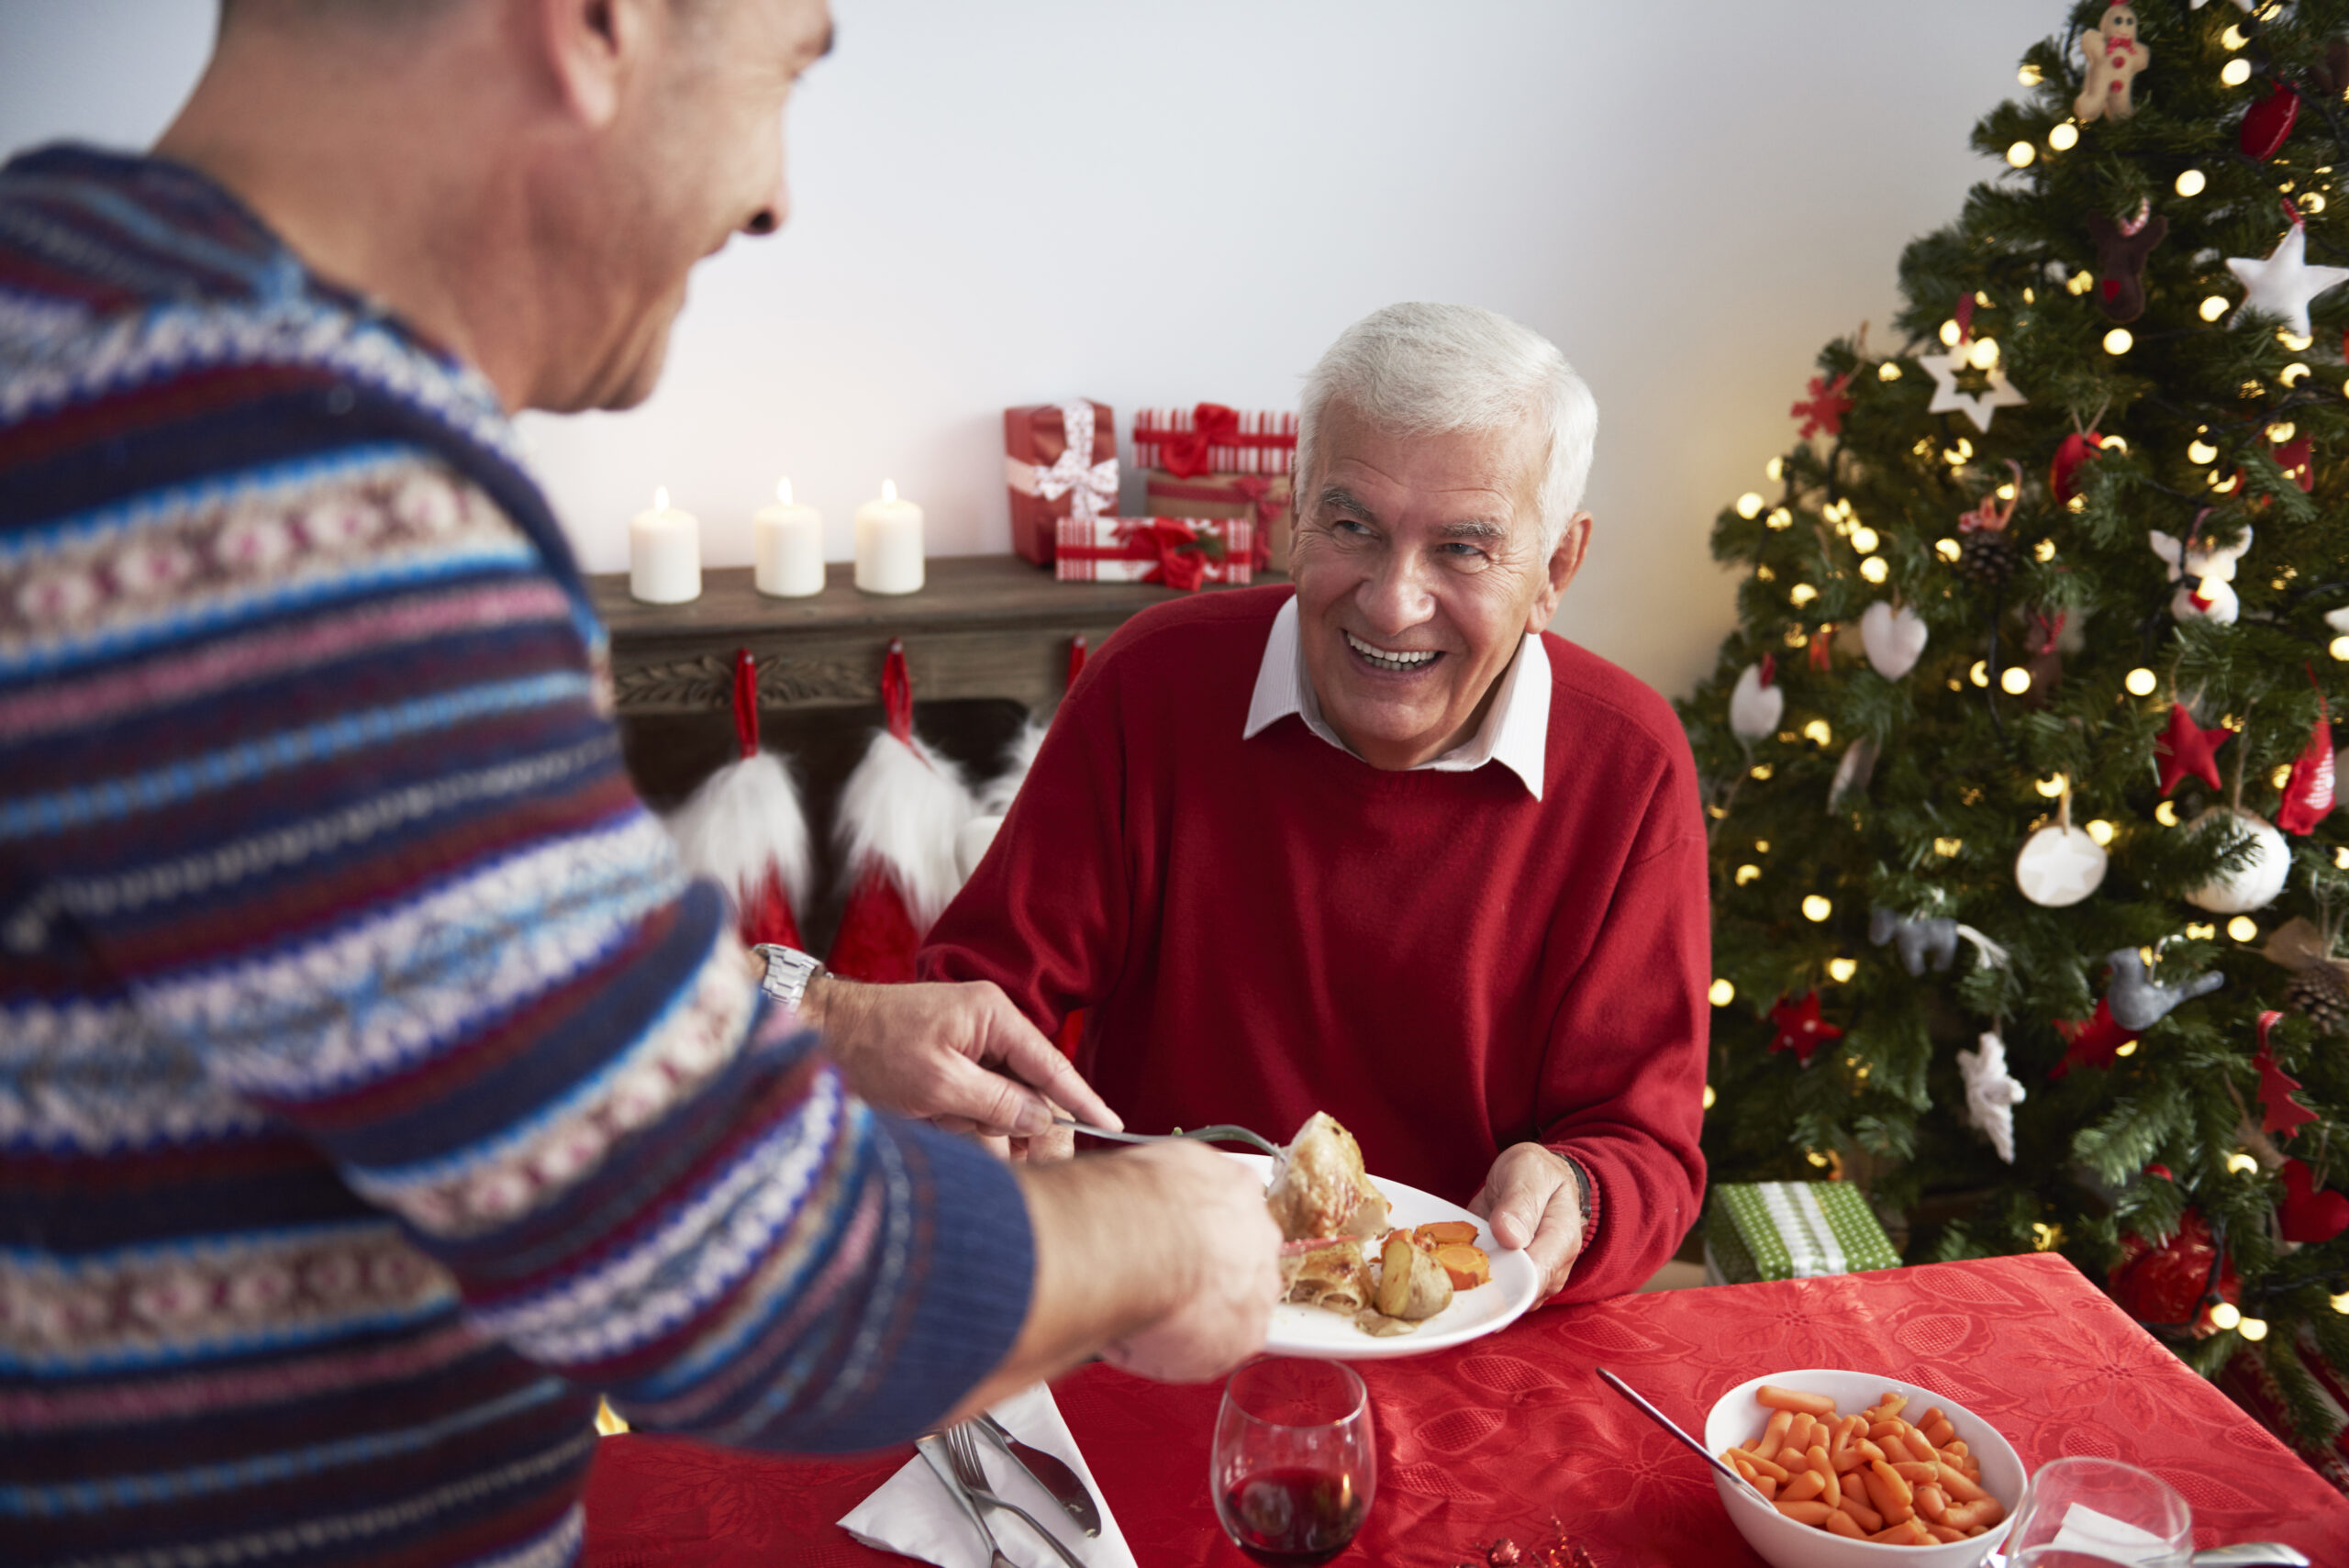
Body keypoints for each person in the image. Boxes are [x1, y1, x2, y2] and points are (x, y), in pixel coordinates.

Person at [0, 2, 1277, 1563]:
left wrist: (812, 1013)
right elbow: (743, 1267)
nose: (775, 196)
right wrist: (1168, 1227)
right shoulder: (291, 485)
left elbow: (386, 988)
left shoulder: (60, 300)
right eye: (785, 66)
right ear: (598, 26)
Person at [918, 302, 1710, 1304]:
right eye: (1351, 526)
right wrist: (994, 1123)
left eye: (1463, 549)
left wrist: (1577, 1189)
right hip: (1152, 1298)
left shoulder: (1629, 765)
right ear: (1294, 513)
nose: (1391, 601)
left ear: (1555, 568)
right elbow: (985, 993)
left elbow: (1642, 1145)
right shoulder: (1152, 681)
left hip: (1460, 1326)